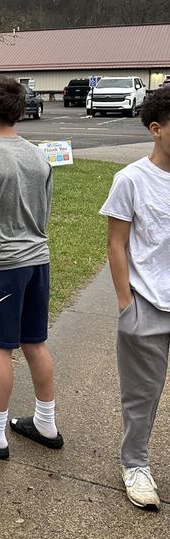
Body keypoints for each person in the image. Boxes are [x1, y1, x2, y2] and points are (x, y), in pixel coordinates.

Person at [0, 75, 63, 460]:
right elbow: (45, 211)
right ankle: (46, 422)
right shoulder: (40, 156)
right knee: (34, 341)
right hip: (38, 261)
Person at [99, 85, 170, 511]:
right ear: (157, 129)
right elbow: (116, 245)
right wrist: (127, 306)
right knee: (141, 398)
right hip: (146, 304)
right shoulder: (130, 180)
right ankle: (136, 465)